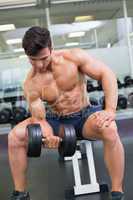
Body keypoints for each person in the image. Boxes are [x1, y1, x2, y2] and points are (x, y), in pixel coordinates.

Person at [8, 26, 125, 200]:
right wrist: (48, 137)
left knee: (110, 129)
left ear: (51, 48)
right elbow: (39, 118)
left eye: (43, 58)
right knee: (14, 136)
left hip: (85, 116)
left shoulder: (73, 58)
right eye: (33, 60)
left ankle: (117, 191)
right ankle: (20, 193)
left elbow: (105, 74)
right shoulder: (31, 83)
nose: (39, 65)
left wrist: (110, 110)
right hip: (55, 120)